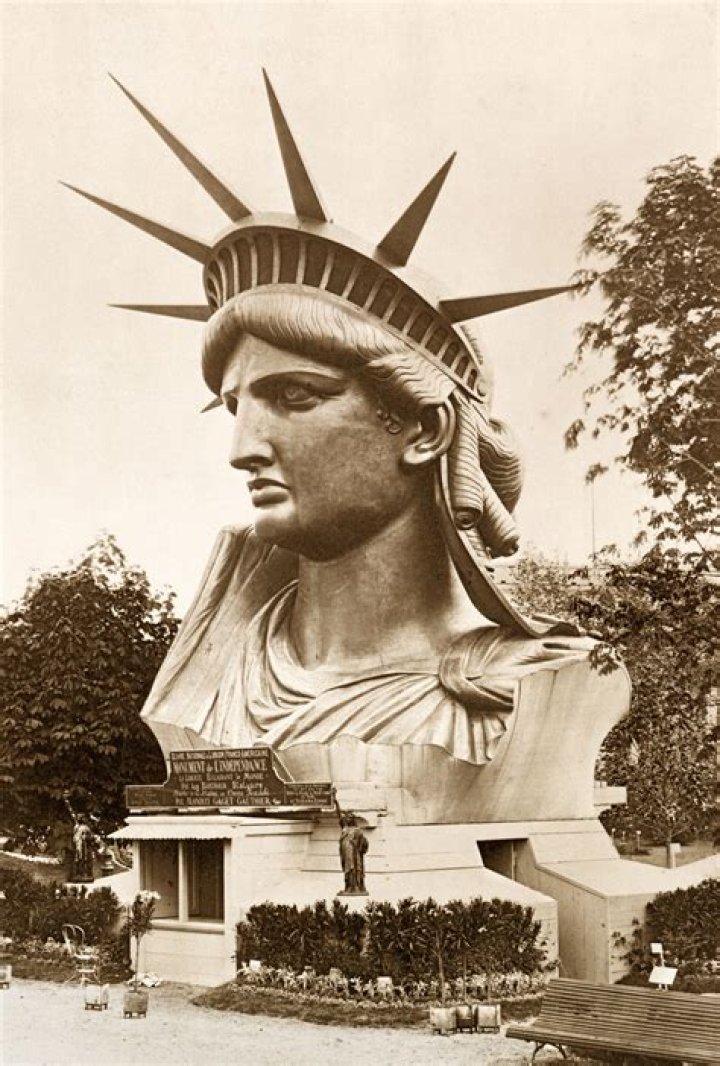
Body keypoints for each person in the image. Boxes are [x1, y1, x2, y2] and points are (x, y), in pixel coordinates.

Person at [68, 73, 630, 822]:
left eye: (295, 397)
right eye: (235, 406)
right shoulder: (209, 672)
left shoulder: (534, 683)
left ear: (424, 430)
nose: (241, 449)